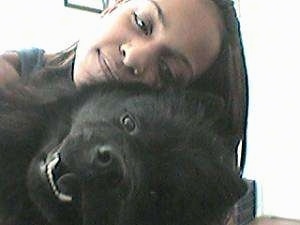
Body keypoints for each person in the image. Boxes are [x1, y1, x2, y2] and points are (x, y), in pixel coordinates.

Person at [0, 0, 250, 223]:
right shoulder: (12, 75)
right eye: (142, 23)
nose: (133, 56)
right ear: (115, 5)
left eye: (166, 70)